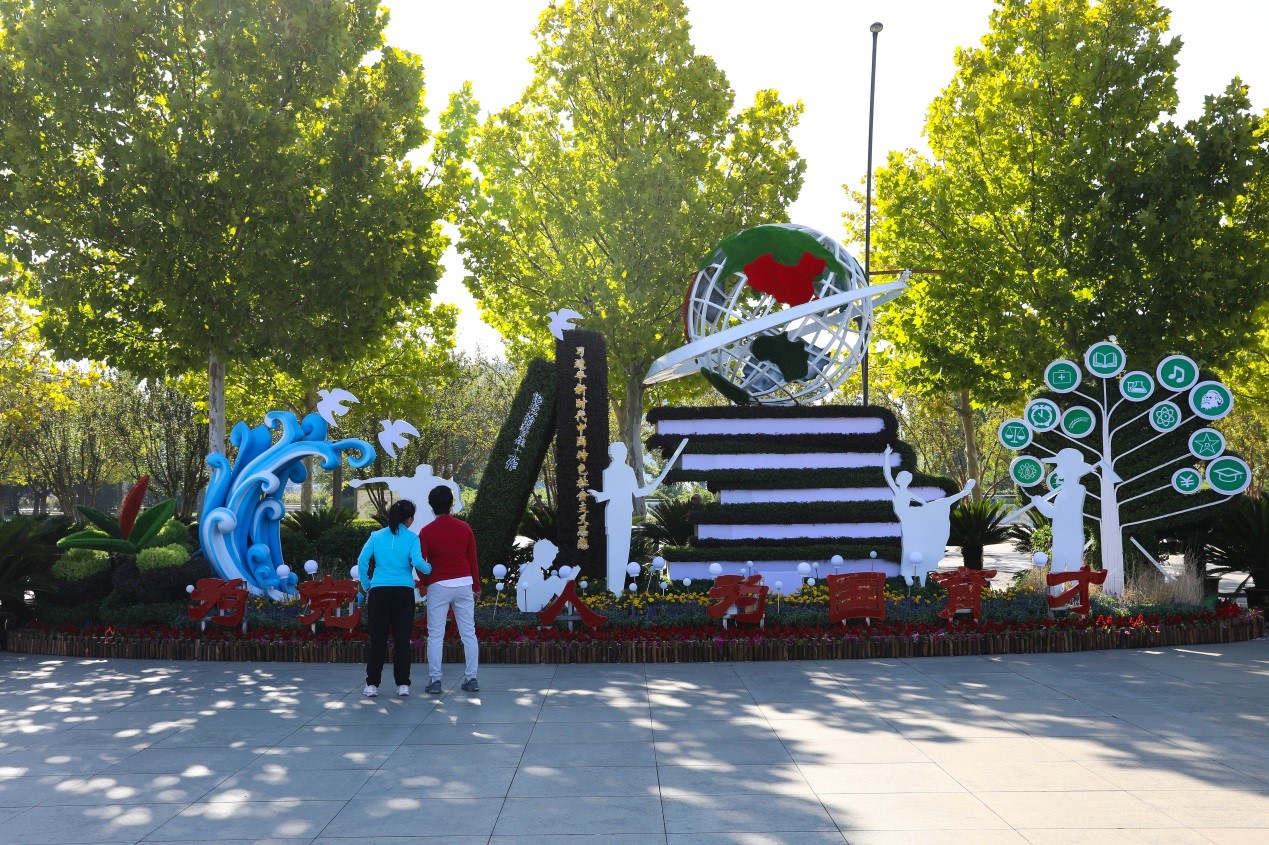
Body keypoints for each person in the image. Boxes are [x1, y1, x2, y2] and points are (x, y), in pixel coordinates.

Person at [357, 499, 431, 698]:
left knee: (378, 640)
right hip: (403, 591)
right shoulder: (412, 538)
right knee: (402, 639)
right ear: (409, 519)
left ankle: (372, 685)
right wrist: (430, 568)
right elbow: (418, 562)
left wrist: (366, 584)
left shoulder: (376, 536)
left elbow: (362, 560)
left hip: (379, 591)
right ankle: (402, 684)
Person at [418, 485, 480, 694]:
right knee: (468, 633)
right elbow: (472, 559)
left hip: (438, 585)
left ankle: (435, 681)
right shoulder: (465, 527)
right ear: (451, 504)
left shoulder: (426, 531)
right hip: (464, 582)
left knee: (435, 635)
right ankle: (471, 678)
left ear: (431, 505)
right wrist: (476, 585)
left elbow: (421, 562)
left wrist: (426, 581)